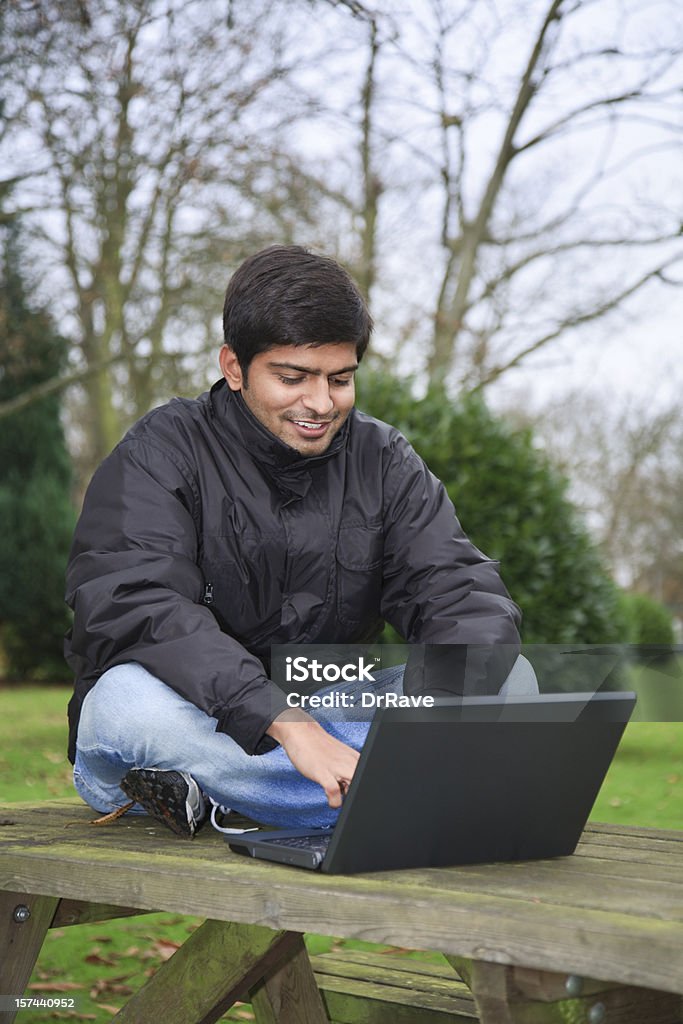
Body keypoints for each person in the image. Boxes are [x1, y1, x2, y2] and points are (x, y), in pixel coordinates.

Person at [65, 245, 537, 838]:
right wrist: (284, 722)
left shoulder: (384, 460)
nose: (320, 403)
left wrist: (434, 721)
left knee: (507, 678)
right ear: (234, 367)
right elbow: (134, 605)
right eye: (293, 378)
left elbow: (457, 590)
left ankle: (233, 800)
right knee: (125, 700)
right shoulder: (160, 453)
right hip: (194, 719)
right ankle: (402, 798)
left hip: (330, 718)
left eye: (340, 380)